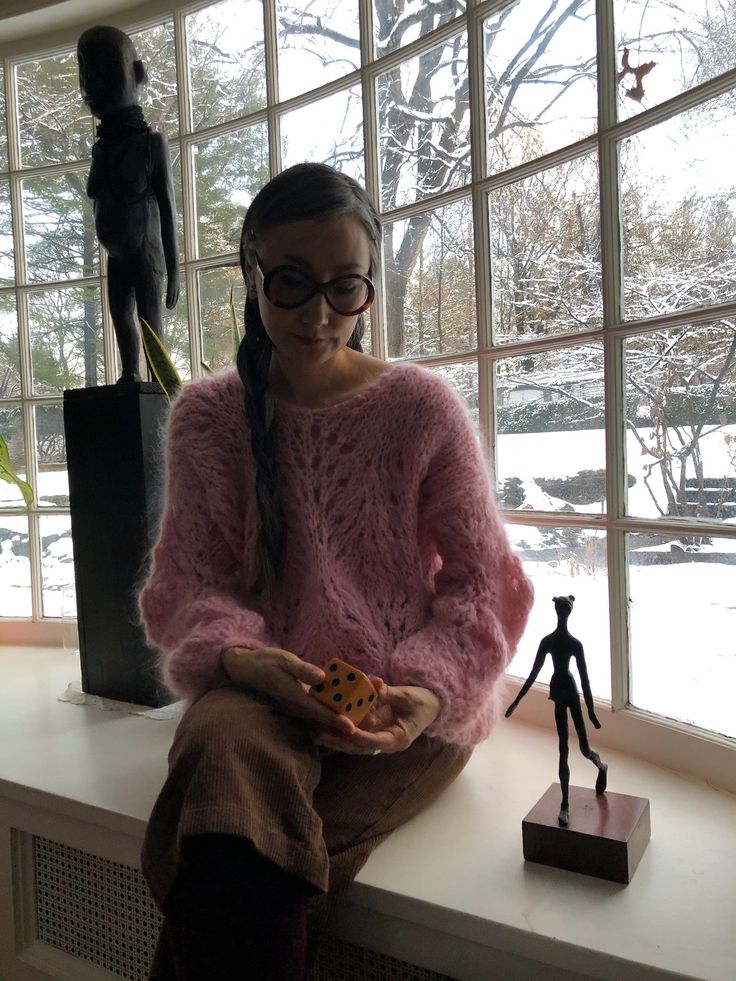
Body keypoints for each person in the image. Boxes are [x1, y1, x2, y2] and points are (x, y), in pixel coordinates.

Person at [138, 162, 533, 980]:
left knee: (227, 853)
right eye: (290, 282)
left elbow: (483, 585)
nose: (321, 315)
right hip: (257, 696)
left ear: (369, 288)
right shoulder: (208, 418)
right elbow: (188, 584)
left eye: (345, 288)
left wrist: (426, 692)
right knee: (229, 778)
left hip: (395, 704)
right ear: (250, 272)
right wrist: (246, 659)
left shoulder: (420, 407)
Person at [77, 26, 179, 383]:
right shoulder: (102, 147)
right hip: (117, 255)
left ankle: (156, 382)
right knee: (121, 317)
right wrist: (101, 156)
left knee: (150, 323)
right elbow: (95, 192)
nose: (93, 84)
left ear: (137, 73)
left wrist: (174, 269)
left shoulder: (152, 144)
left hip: (145, 251)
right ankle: (129, 373)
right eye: (87, 75)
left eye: (106, 71)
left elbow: (168, 208)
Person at [505, 595, 608, 826]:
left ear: (567, 612)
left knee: (583, 748)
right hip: (558, 693)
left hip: (570, 691)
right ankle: (565, 804)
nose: (562, 614)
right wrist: (517, 702)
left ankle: (601, 766)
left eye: (565, 610)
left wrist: (591, 712)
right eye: (561, 610)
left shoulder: (574, 644)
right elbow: (533, 674)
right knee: (563, 750)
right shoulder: (548, 642)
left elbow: (585, 681)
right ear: (557, 612)